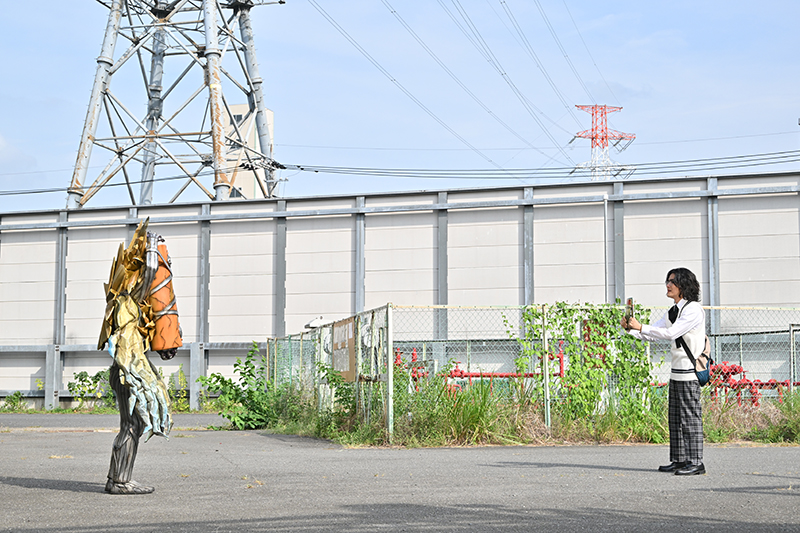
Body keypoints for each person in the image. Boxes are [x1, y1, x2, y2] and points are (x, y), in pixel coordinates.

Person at [622, 267, 706, 476]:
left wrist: (640, 326)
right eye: (667, 281)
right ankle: (679, 460)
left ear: (683, 285)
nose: (668, 285)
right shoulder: (673, 311)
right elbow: (653, 334)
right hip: (676, 372)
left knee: (690, 418)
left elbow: (670, 333)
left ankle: (696, 462)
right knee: (675, 418)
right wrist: (631, 329)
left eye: (672, 281)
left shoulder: (693, 309)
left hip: (689, 372)